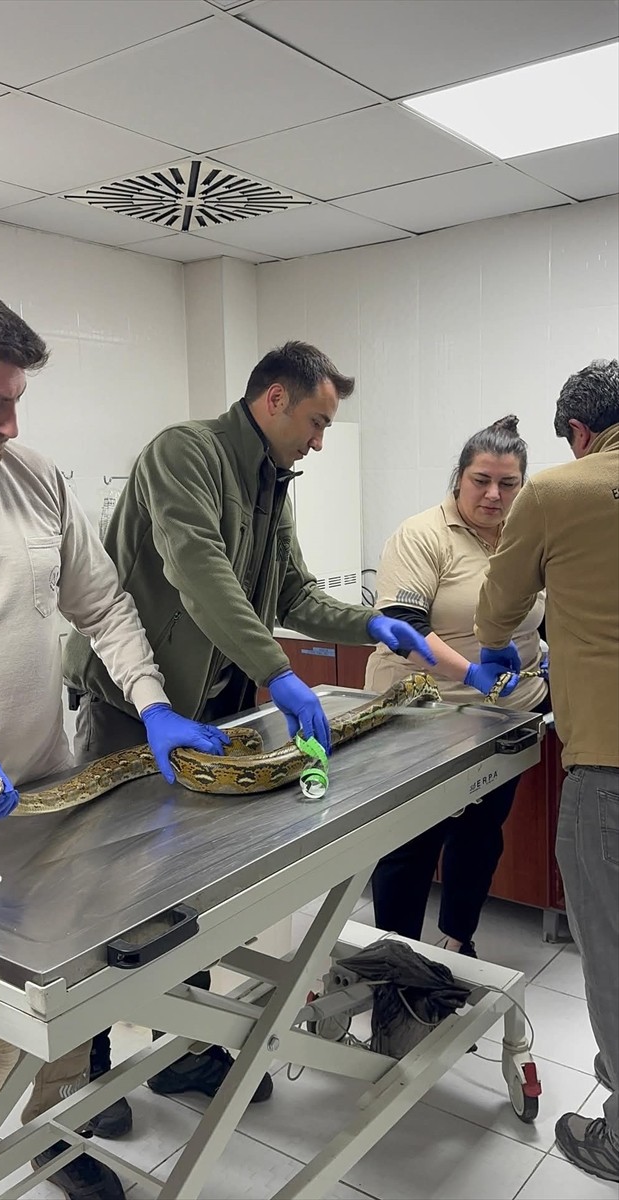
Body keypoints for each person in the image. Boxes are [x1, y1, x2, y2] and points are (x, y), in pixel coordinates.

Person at [63, 339, 435, 1135]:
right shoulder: (183, 454)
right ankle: (81, 1082)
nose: (320, 439)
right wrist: (278, 670)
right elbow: (198, 568)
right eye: (315, 420)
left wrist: (367, 621)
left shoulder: (273, 481)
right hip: (137, 711)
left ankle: (188, 1048)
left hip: (216, 716)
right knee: (108, 902)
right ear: (273, 400)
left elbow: (291, 589)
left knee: (189, 891)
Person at [0, 282, 228, 1200]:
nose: (9, 423)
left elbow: (101, 604)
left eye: (18, 400)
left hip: (46, 799)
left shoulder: (33, 477)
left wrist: (149, 702)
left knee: (56, 1005)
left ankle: (57, 1140)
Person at [475, 360, 619, 1184]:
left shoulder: (560, 491)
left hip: (608, 766)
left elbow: (497, 611)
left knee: (611, 949)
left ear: (573, 431)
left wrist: (512, 632)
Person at [364, 416, 548, 955]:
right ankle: (397, 967)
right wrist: (470, 673)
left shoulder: (525, 537)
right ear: (459, 478)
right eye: (481, 480)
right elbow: (403, 626)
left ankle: (456, 941)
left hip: (506, 719)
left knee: (480, 836)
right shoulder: (423, 535)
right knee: (410, 845)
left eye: (508, 484)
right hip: (424, 721)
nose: (494, 494)